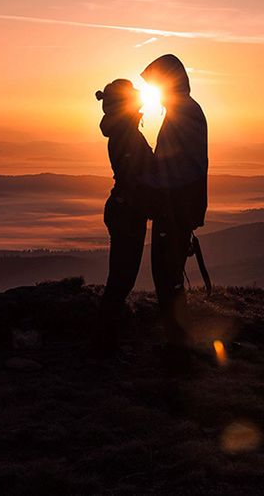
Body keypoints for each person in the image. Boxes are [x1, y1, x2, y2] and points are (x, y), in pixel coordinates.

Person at [141, 55, 208, 368]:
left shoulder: (184, 114)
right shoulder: (184, 111)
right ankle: (177, 343)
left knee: (167, 276)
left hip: (175, 209)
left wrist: (148, 180)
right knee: (168, 276)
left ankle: (178, 350)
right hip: (177, 208)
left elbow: (183, 168)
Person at [90, 79, 154, 357]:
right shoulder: (126, 132)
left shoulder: (121, 130)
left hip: (123, 208)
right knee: (121, 278)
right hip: (128, 211)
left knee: (121, 275)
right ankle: (104, 341)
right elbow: (135, 176)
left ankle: (106, 337)